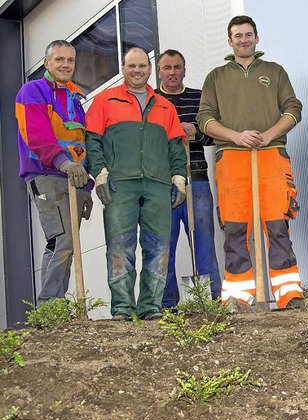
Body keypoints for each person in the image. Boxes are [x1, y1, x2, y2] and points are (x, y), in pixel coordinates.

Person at [197, 15, 304, 310]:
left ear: (257, 39)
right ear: (229, 42)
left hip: (272, 156)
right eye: (237, 36)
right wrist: (236, 136)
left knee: (278, 226)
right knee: (234, 228)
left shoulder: (275, 71)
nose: (243, 40)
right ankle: (239, 297)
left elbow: (293, 108)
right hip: (231, 158)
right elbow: (204, 119)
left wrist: (268, 135)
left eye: (248, 35)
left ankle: (288, 295)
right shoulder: (216, 77)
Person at [86, 47, 187, 321]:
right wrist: (101, 172)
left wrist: (179, 177)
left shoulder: (165, 106)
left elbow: (176, 147)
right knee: (120, 246)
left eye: (142, 66)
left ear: (150, 69)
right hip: (120, 184)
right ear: (123, 68)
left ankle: (151, 307)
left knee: (159, 246)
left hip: (157, 185)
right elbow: (92, 141)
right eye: (132, 65)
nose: (137, 70)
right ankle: (122, 308)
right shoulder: (105, 101)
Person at [15, 39, 93, 305]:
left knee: (65, 245)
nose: (65, 65)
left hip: (72, 179)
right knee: (62, 241)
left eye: (70, 60)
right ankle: (50, 306)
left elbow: (82, 144)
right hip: (46, 174)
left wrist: (87, 185)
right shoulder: (32, 91)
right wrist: (63, 163)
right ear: (47, 63)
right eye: (59, 59)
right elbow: (36, 135)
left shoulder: (75, 98)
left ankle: (56, 306)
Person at [156, 49, 222, 308]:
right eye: (167, 68)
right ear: (159, 71)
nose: (172, 72)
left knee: (204, 239)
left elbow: (213, 135)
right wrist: (172, 132)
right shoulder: (153, 100)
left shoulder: (199, 98)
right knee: (165, 242)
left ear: (184, 69)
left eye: (177, 67)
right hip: (165, 183)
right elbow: (147, 140)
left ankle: (211, 298)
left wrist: (196, 134)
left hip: (197, 178)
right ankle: (167, 302)